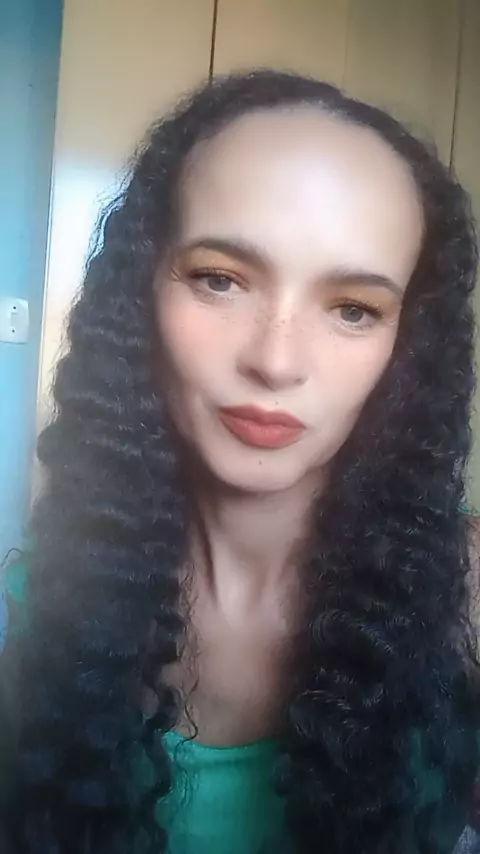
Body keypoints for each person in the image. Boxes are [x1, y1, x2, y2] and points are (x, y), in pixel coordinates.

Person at [1, 69, 479, 854]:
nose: (276, 361)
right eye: (220, 280)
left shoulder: (466, 597)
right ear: (141, 293)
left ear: (405, 344)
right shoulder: (44, 595)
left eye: (353, 309)